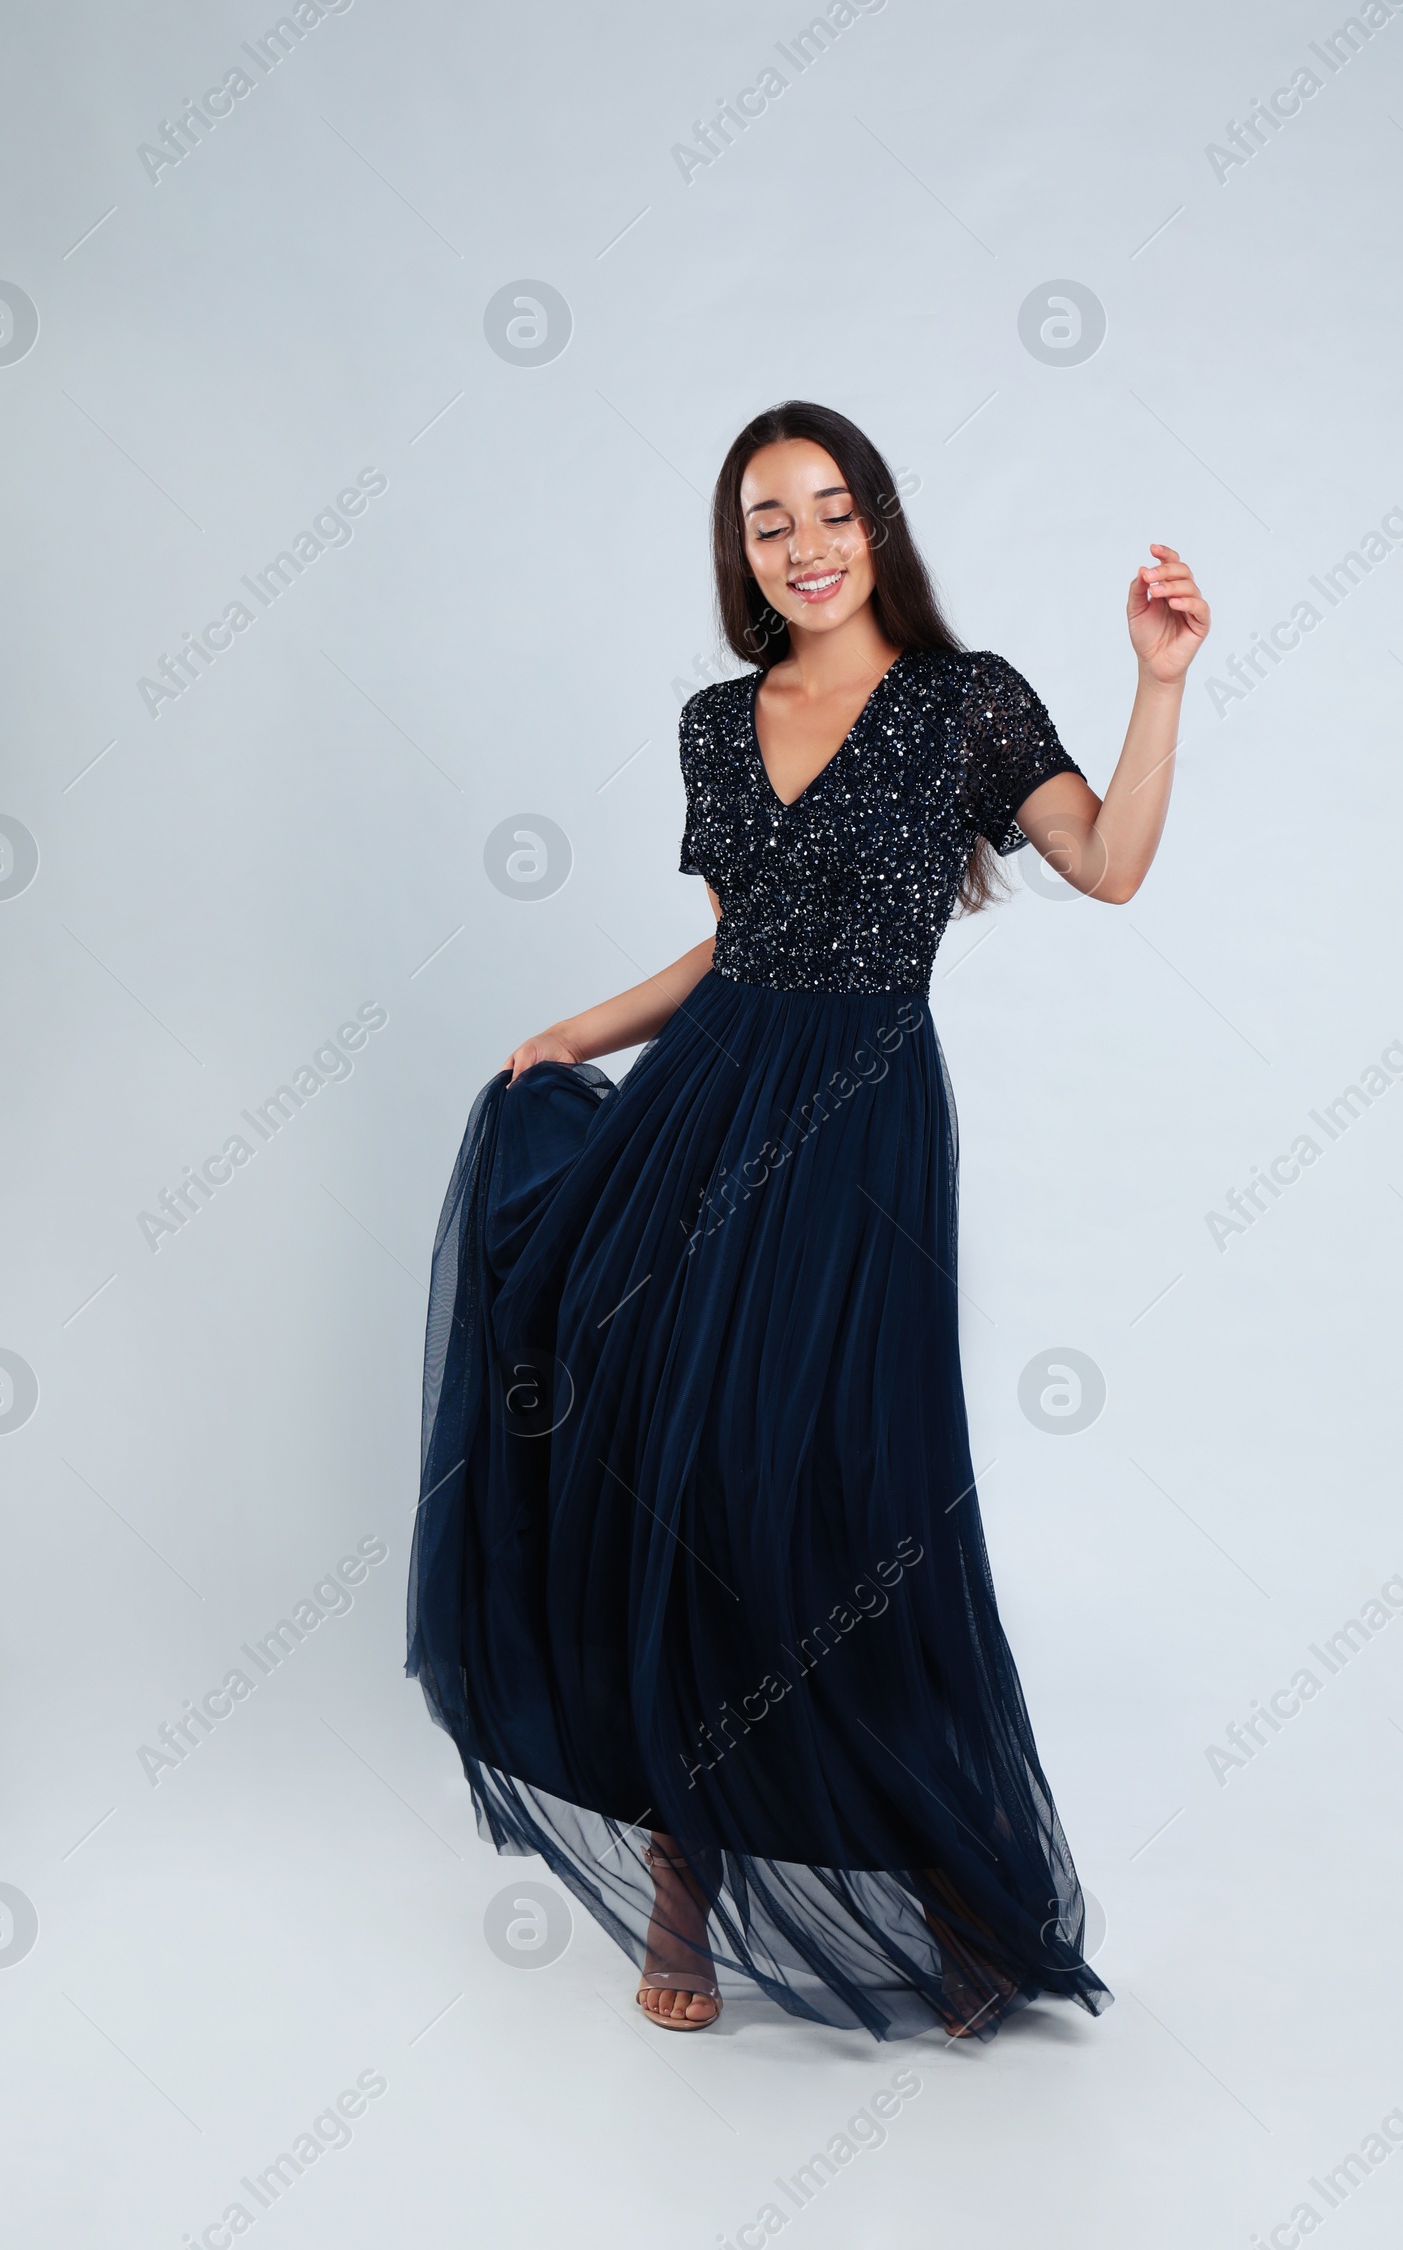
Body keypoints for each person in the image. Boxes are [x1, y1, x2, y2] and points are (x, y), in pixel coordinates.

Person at [406, 399, 1209, 2039]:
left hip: (863, 1131)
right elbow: (733, 944)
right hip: (707, 1107)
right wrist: (581, 1033)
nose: (808, 543)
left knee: (854, 1498)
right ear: (742, 555)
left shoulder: (965, 707)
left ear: (879, 523)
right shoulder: (718, 721)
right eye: (771, 521)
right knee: (681, 1482)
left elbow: (1110, 866)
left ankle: (957, 1887)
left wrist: (1161, 681)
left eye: (833, 509)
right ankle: (683, 1879)